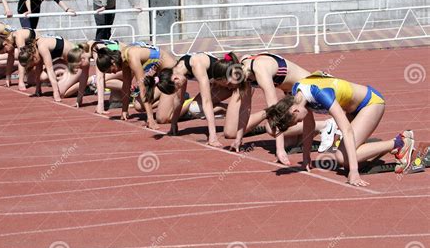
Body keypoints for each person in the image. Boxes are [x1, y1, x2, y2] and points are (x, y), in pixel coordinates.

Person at [265, 71, 415, 186]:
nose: (300, 121)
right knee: (345, 153)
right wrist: (306, 158)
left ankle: (399, 143)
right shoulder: (298, 95)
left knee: (342, 158)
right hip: (352, 110)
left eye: (296, 121)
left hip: (371, 103)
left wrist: (354, 172)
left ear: (294, 111)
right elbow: (309, 126)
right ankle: (368, 147)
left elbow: (346, 130)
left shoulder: (320, 94)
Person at [211, 52, 338, 162]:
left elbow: (274, 109)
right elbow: (245, 108)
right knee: (288, 140)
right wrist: (239, 138)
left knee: (271, 128)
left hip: (310, 87)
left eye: (227, 84)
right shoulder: (243, 67)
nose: (228, 88)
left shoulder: (259, 70)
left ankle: (328, 126)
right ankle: (322, 130)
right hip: (293, 92)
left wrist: (280, 150)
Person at [143, 52, 232, 145]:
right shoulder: (179, 69)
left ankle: (234, 110)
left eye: (177, 87)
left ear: (175, 79)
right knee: (195, 109)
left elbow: (206, 101)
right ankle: (226, 109)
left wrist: (212, 136)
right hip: (218, 84)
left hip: (229, 84)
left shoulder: (196, 64)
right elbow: (178, 99)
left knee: (198, 107)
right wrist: (174, 123)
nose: (180, 88)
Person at [95, 41, 176, 129]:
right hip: (161, 77)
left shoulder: (131, 57)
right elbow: (126, 85)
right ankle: (169, 102)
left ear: (113, 62)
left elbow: (143, 88)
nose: (113, 73)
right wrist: (124, 110)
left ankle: (187, 105)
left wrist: (150, 119)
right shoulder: (124, 57)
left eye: (110, 71)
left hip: (173, 76)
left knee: (162, 118)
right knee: (138, 105)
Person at [18, 36, 88, 105]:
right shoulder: (35, 48)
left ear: (33, 57)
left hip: (77, 62)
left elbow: (50, 70)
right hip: (64, 61)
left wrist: (56, 92)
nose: (33, 66)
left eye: (32, 65)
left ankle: (90, 80)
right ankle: (72, 81)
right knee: (42, 77)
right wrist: (38, 89)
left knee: (61, 92)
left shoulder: (42, 47)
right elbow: (38, 70)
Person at [66, 40, 124, 113]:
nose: (80, 68)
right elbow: (83, 78)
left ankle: (132, 91)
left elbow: (100, 78)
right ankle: (124, 93)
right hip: (117, 66)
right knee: (115, 101)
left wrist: (100, 105)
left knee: (97, 80)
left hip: (123, 65)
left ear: (82, 59)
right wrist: (79, 100)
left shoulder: (96, 50)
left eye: (80, 66)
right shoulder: (86, 51)